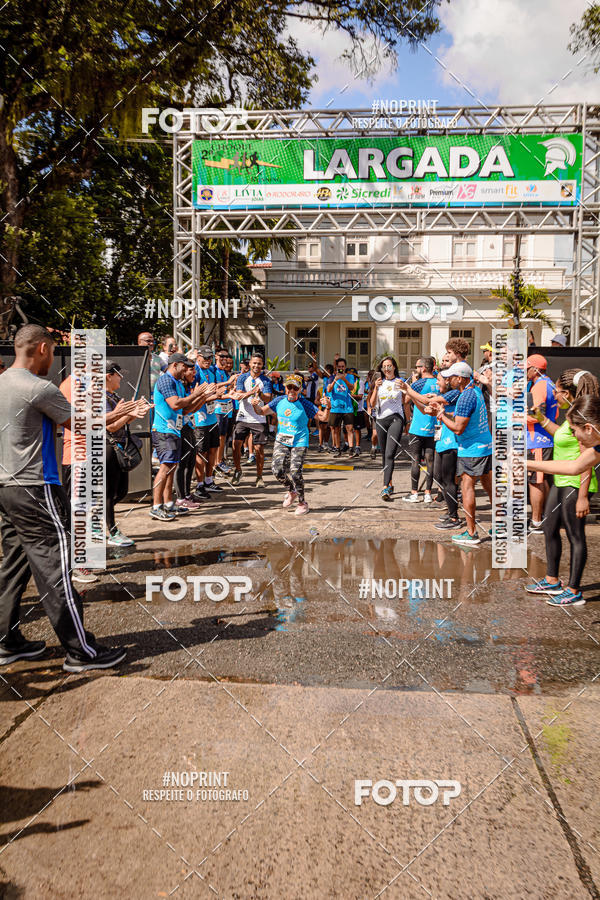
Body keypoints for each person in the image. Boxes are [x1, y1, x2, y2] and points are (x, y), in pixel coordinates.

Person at [0, 325, 126, 672]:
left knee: (13, 565)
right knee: (55, 567)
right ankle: (80, 651)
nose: (53, 359)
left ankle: (6, 641)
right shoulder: (38, 388)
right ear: (42, 348)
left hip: (6, 488)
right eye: (53, 352)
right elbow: (83, 424)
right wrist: (120, 414)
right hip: (35, 487)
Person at [526, 371, 599, 607]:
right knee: (550, 527)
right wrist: (523, 463)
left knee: (575, 535)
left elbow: (579, 466)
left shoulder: (584, 423)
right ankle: (552, 579)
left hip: (575, 485)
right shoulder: (582, 423)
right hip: (563, 478)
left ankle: (574, 589)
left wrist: (582, 497)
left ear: (588, 429)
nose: (576, 438)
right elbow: (574, 465)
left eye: (556, 390)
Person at [432, 361, 493, 545]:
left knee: (467, 488)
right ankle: (500, 525)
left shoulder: (466, 397)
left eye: (451, 377)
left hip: (471, 449)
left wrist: (442, 416)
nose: (448, 380)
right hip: (484, 445)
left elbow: (458, 428)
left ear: (460, 379)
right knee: (489, 486)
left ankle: (471, 532)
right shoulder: (474, 390)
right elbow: (462, 420)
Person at [150, 353, 208, 521]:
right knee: (165, 468)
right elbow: (175, 403)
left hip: (174, 430)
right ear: (175, 365)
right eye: (184, 366)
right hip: (163, 431)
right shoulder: (166, 380)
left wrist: (201, 396)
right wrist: (197, 394)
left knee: (172, 468)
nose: (186, 370)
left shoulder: (177, 383)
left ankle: (169, 504)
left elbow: (187, 409)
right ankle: (156, 506)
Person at [258, 374, 322, 515]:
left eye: (295, 387)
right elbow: (261, 412)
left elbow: (323, 417)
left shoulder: (305, 404)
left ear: (300, 389)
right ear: (285, 388)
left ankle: (302, 503)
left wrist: (327, 407)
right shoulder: (279, 400)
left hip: (299, 441)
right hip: (282, 440)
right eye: (289, 387)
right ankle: (292, 490)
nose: (292, 390)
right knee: (276, 469)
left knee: (295, 471)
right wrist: (254, 403)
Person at [105, 361, 152, 545]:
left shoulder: (113, 395)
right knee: (109, 493)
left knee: (122, 491)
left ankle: (98, 517)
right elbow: (111, 426)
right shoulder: (101, 398)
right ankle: (112, 530)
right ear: (109, 376)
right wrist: (130, 413)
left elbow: (122, 421)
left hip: (119, 446)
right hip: (108, 448)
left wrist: (136, 412)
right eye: (118, 374)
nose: (121, 378)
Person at [191, 346, 234, 501]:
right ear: (198, 356)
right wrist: (212, 394)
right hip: (199, 418)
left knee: (213, 450)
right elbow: (193, 395)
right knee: (201, 453)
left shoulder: (211, 372)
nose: (208, 361)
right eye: (205, 358)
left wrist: (228, 393)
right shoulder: (194, 371)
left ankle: (209, 480)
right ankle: (199, 484)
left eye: (210, 358)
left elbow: (215, 390)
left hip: (211, 417)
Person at [526, 355, 558, 534]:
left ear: (535, 369)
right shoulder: (548, 382)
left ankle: (537, 521)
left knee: (536, 481)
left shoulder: (540, 385)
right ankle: (542, 517)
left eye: (527, 367)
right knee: (542, 479)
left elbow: (536, 415)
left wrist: (515, 418)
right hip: (544, 438)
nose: (525, 371)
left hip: (537, 439)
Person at [230, 354, 273, 486]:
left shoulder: (266, 380)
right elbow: (238, 395)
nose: (256, 366)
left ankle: (259, 477)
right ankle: (238, 471)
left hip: (259, 417)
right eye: (254, 363)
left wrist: (259, 394)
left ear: (262, 365)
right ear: (250, 364)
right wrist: (250, 393)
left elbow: (268, 399)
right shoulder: (242, 377)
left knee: (259, 448)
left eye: (259, 364)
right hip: (243, 416)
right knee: (236, 444)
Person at [368, 357, 405, 501]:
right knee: (384, 454)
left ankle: (385, 487)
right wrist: (376, 388)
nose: (387, 369)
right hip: (381, 419)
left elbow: (405, 402)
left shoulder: (400, 382)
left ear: (394, 367)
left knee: (390, 453)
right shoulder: (379, 383)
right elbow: (372, 404)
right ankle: (389, 482)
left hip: (396, 418)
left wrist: (407, 422)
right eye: (384, 366)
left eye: (389, 366)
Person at [403, 356, 439, 503]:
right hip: (434, 427)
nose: (416, 369)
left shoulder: (418, 384)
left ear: (423, 368)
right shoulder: (439, 382)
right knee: (430, 460)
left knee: (415, 460)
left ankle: (414, 493)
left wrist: (412, 384)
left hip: (418, 427)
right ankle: (428, 493)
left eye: (418, 366)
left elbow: (405, 401)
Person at [326, 357, 358, 458]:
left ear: (345, 367)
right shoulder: (331, 377)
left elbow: (352, 388)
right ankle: (338, 449)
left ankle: (351, 449)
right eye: (339, 366)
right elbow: (329, 389)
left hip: (347, 407)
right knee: (335, 429)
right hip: (335, 408)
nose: (341, 368)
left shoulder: (349, 376)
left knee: (349, 428)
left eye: (343, 366)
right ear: (336, 367)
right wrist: (335, 380)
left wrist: (343, 379)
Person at [213, 348, 234, 474]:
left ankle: (219, 460)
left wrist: (232, 386)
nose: (224, 359)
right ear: (216, 356)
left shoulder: (225, 372)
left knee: (223, 436)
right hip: (216, 407)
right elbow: (213, 387)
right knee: (218, 437)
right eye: (222, 356)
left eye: (226, 357)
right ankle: (216, 462)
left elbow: (226, 388)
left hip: (227, 407)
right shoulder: (213, 370)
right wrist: (228, 382)